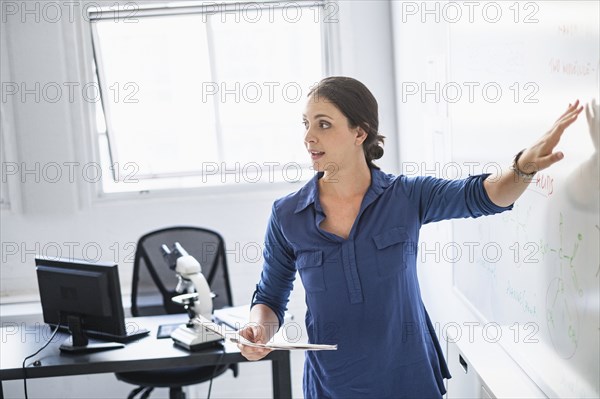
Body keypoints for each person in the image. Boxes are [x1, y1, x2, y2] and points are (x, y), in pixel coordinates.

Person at [237, 76, 584, 398]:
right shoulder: (287, 215)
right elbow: (269, 297)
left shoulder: (406, 196)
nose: (308, 137)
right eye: (306, 124)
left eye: (323, 124)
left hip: (409, 382)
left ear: (360, 133)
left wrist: (523, 166)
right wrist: (259, 330)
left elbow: (484, 195)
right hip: (332, 387)